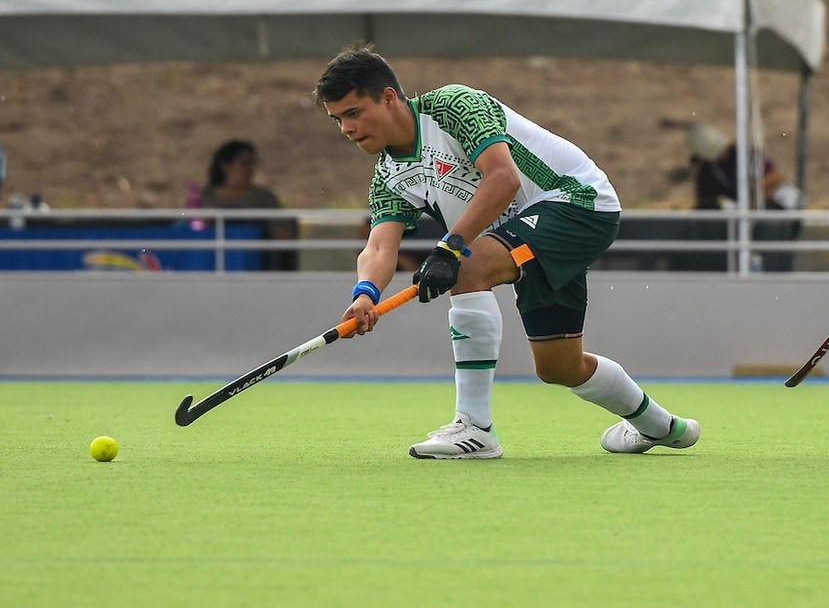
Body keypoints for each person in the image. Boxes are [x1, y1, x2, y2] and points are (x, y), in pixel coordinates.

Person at [313, 45, 700, 460]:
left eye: (353, 113)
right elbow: (379, 245)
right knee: (558, 366)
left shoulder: (453, 106)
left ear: (389, 98)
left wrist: (450, 248)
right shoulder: (388, 175)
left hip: (577, 202)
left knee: (466, 269)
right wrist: (365, 295)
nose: (346, 129)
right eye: (337, 119)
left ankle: (475, 428)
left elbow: (503, 178)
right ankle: (662, 427)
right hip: (522, 234)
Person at [688, 124, 802, 271]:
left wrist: (754, 193)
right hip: (734, 222)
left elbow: (775, 178)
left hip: (768, 214)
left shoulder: (749, 156)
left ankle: (777, 272)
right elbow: (703, 202)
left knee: (774, 236)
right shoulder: (707, 171)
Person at [201, 139, 298, 271]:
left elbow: (285, 235)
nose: (250, 169)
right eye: (245, 164)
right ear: (226, 166)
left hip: (257, 266)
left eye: (253, 164)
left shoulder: (263, 197)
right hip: (211, 264)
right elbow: (194, 228)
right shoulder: (206, 196)